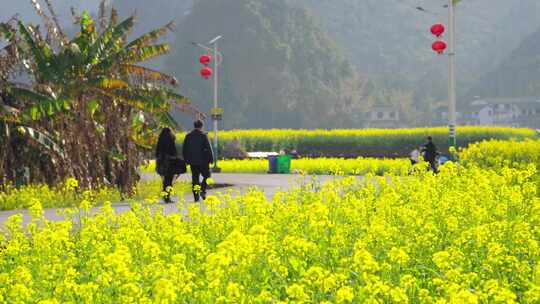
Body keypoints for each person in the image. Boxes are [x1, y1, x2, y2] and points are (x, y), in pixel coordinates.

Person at [183, 120, 214, 202]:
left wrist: (186, 160)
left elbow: (184, 149)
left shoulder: (188, 136)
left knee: (195, 179)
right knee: (207, 176)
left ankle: (196, 197)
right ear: (201, 126)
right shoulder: (204, 136)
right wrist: (211, 159)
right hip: (203, 161)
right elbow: (209, 148)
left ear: (194, 126)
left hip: (193, 162)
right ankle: (203, 190)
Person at [155, 128, 178, 203]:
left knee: (165, 180)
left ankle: (165, 196)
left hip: (162, 162)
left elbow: (157, 152)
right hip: (170, 162)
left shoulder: (160, 140)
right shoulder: (171, 139)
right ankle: (167, 196)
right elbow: (174, 151)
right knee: (169, 180)